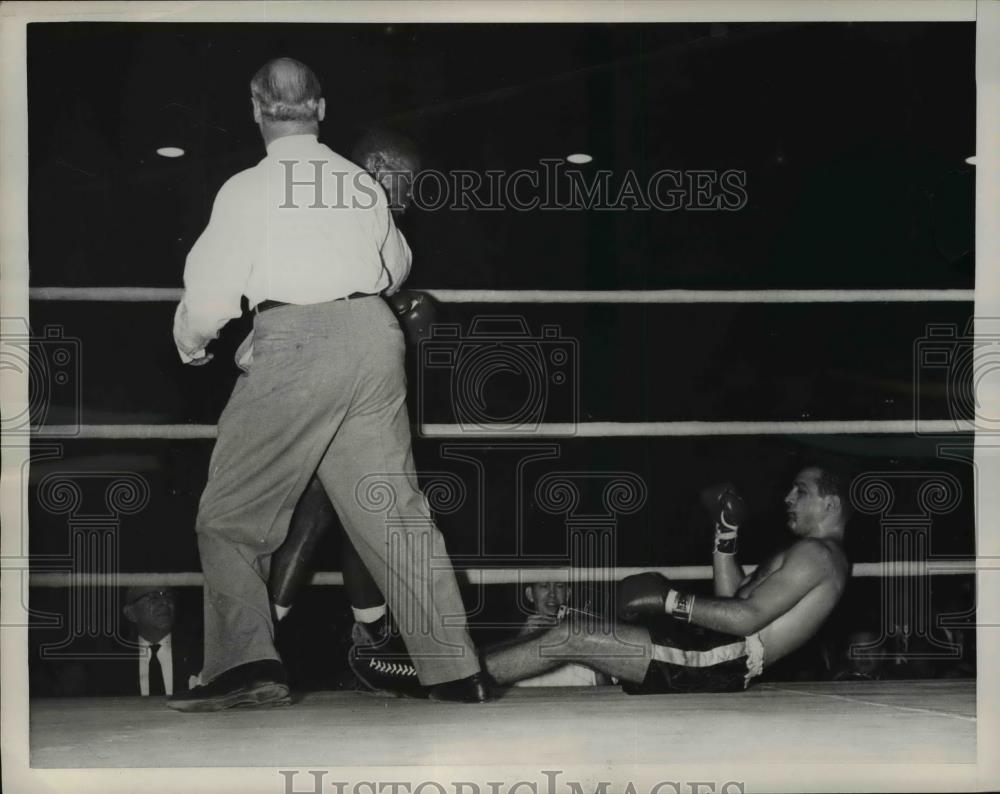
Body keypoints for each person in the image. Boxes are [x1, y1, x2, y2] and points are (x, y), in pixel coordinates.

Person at [168, 57, 488, 711]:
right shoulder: (360, 185)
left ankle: (245, 666)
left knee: (228, 518)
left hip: (296, 345)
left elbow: (207, 300)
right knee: (395, 513)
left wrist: (195, 343)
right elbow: (395, 267)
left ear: (257, 110)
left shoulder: (245, 190)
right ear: (320, 109)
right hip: (374, 340)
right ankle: (456, 670)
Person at [482, 466, 850, 693]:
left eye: (800, 491)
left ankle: (460, 674)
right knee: (574, 633)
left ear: (830, 504)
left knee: (573, 635)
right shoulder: (811, 553)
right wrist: (724, 538)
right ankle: (457, 670)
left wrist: (669, 600)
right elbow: (731, 598)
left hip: (724, 659)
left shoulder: (817, 555)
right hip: (716, 648)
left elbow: (748, 618)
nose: (788, 497)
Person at [512, 581, 609, 687]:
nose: (552, 594)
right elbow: (498, 689)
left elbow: (609, 694)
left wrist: (596, 661)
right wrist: (520, 642)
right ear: (530, 594)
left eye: (559, 586)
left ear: (567, 593)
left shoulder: (585, 635)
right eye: (544, 586)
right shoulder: (516, 644)